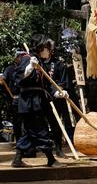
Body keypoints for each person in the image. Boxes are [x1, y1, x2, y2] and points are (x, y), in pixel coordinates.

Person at [12, 34, 65, 168]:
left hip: (38, 100)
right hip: (29, 101)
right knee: (41, 130)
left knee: (30, 132)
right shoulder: (27, 59)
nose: (49, 50)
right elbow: (17, 77)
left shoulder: (39, 62)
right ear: (41, 47)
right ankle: (51, 159)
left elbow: (47, 84)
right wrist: (29, 68)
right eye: (47, 47)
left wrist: (58, 92)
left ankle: (17, 159)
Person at [1, 49, 27, 142]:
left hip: (27, 98)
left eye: (23, 56)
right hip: (14, 98)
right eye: (20, 56)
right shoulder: (9, 69)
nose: (22, 58)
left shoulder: (27, 68)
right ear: (16, 58)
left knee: (27, 121)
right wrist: (1, 79)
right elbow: (3, 80)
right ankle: (20, 142)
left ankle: (28, 143)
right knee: (17, 121)